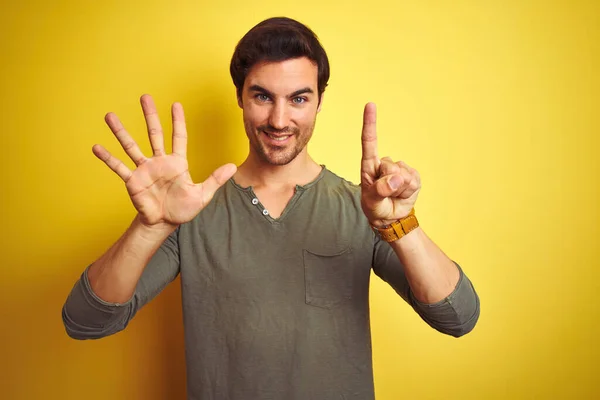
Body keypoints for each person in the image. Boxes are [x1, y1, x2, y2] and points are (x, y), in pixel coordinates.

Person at [62, 16, 480, 400]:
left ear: (319, 102)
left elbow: (457, 317)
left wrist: (401, 226)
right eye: (262, 96)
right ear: (240, 98)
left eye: (298, 99)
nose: (279, 120)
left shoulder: (365, 209)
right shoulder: (191, 211)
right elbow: (85, 321)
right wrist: (150, 228)